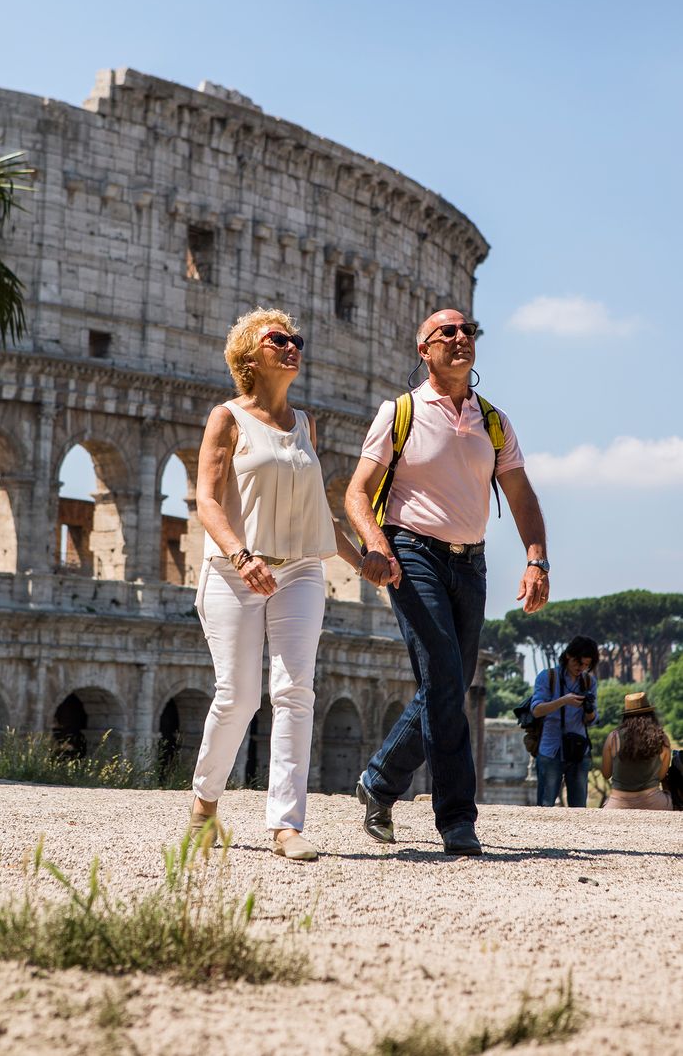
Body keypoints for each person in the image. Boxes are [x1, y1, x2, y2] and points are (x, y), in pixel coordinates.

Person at [345, 307, 549, 856]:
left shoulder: (494, 420)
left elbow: (522, 496)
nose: (462, 339)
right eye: (448, 332)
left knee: (448, 685)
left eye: (468, 332)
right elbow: (357, 493)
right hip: (411, 554)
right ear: (424, 350)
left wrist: (537, 559)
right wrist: (377, 544)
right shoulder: (400, 412)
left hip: (471, 562)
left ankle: (379, 781)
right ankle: (457, 819)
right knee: (443, 673)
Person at [190, 307, 365, 861]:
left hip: (301, 570)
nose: (293, 347)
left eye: (297, 340)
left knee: (294, 692)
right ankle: (205, 802)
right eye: (278, 340)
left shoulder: (306, 423)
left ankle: (286, 825)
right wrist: (241, 556)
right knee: (237, 697)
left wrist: (364, 563)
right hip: (235, 570)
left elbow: (320, 513)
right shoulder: (228, 418)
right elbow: (207, 500)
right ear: (249, 356)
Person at [531, 635, 599, 808]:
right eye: (579, 663)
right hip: (551, 748)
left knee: (579, 808)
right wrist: (563, 700)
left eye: (586, 665)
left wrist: (589, 710)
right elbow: (536, 710)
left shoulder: (589, 681)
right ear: (568, 655)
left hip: (579, 749)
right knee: (545, 806)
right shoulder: (548, 677)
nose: (581, 668)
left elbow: (590, 721)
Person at [601, 692, 673, 811]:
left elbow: (606, 773)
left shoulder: (613, 738)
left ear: (625, 715)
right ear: (650, 714)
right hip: (654, 803)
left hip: (618, 804)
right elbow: (660, 776)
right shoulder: (662, 739)